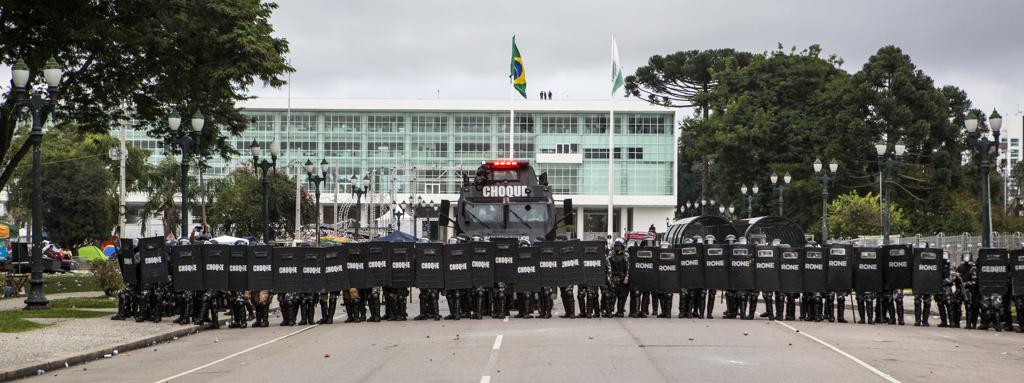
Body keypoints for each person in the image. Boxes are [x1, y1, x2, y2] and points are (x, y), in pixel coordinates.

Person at [605, 238, 629, 317]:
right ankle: (610, 311)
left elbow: (628, 268)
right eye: (616, 246)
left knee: (621, 296)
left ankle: (620, 312)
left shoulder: (625, 256)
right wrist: (609, 277)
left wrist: (626, 277)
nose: (617, 248)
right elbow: (609, 267)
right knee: (611, 296)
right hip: (615, 278)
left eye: (619, 246)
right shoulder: (611, 255)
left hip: (622, 278)